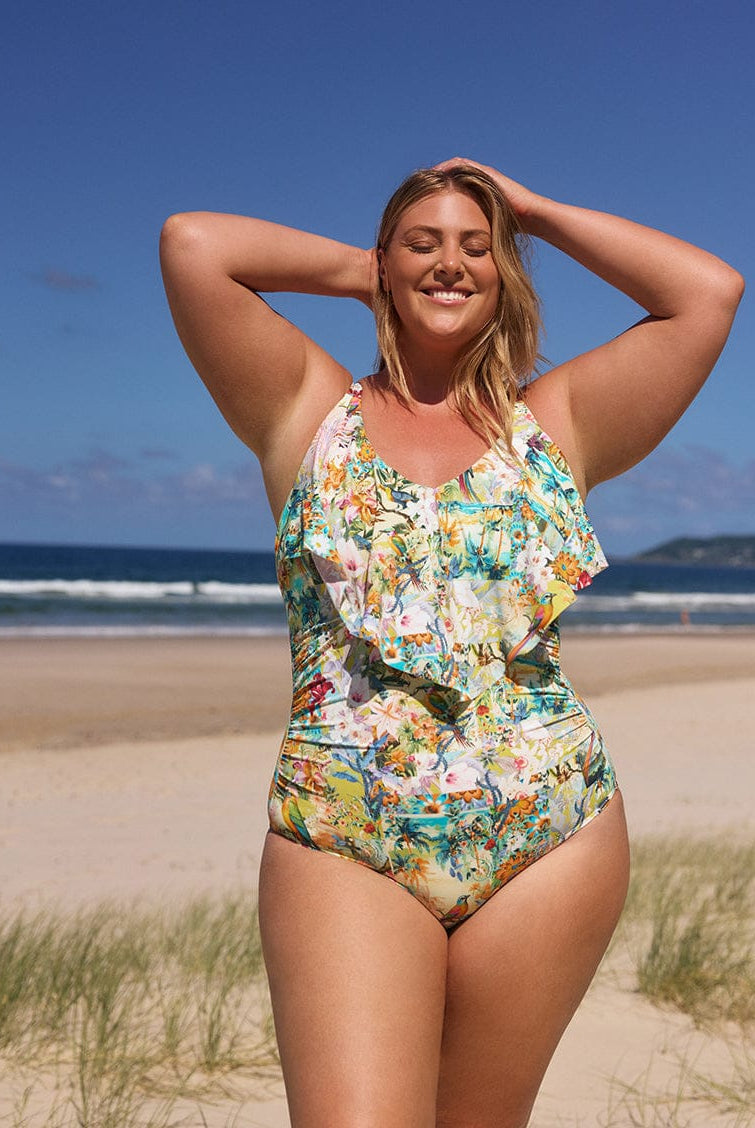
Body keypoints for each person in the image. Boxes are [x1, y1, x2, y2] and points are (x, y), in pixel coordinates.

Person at [160, 159, 743, 1128]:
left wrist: (536, 214)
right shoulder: (304, 410)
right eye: (422, 243)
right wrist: (372, 271)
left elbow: (704, 294)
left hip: (548, 833)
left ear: (506, 273)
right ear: (386, 260)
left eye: (476, 249)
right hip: (344, 833)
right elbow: (194, 245)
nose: (449, 264)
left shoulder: (556, 426)